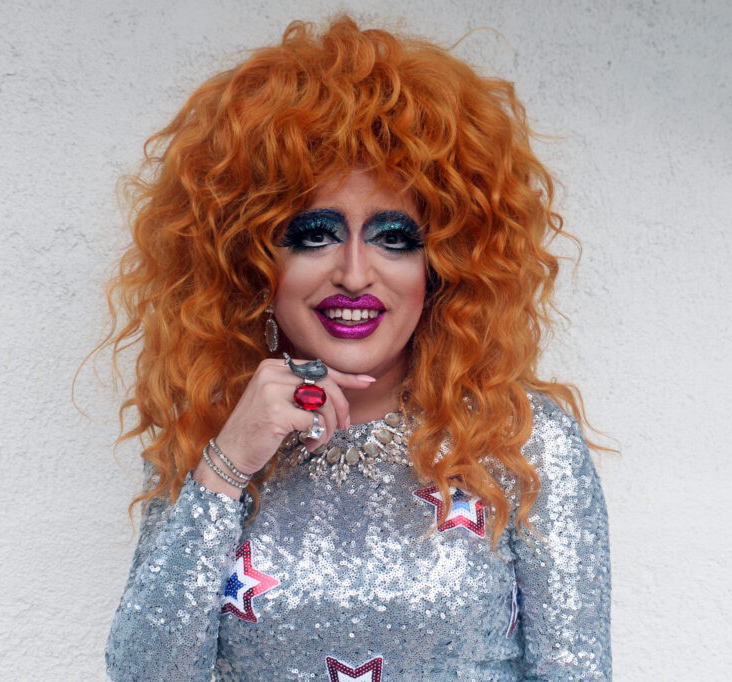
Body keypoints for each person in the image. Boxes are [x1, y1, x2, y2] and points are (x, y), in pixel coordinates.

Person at [102, 15, 610, 681]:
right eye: (314, 233)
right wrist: (225, 467)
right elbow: (145, 674)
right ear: (252, 263)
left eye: (394, 237)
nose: (354, 271)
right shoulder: (213, 432)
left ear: (442, 266)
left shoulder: (521, 437)